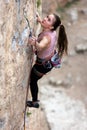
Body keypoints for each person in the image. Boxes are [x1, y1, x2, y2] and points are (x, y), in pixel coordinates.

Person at [27, 13, 68, 108]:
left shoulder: (47, 38)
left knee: (33, 81)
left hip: (42, 66)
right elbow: (46, 25)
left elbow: (41, 46)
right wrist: (40, 20)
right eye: (47, 17)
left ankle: (35, 102)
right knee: (34, 79)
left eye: (48, 20)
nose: (45, 19)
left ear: (52, 26)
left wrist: (35, 43)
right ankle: (35, 101)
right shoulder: (52, 31)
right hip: (49, 60)